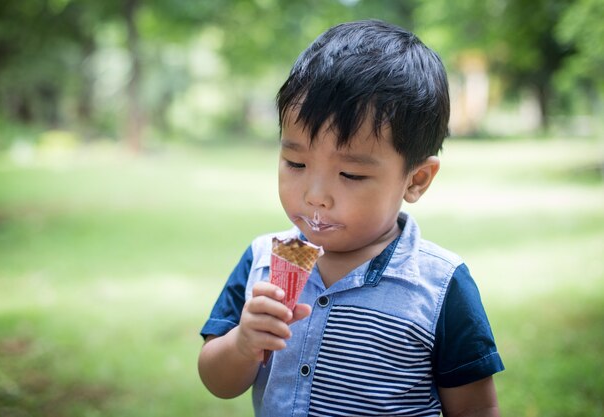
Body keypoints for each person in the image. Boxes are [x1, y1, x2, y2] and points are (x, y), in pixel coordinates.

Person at [198, 19, 504, 417]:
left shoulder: (440, 286)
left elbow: (475, 409)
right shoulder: (263, 261)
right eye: (295, 162)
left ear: (416, 180)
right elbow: (216, 381)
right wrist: (242, 343)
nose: (315, 195)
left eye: (351, 174)